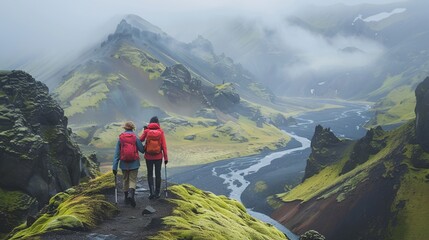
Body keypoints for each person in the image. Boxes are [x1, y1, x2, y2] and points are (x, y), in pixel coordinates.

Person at [112, 121, 144, 207]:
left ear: (125, 128)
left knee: (125, 179)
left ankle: (126, 198)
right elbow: (142, 149)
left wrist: (114, 167)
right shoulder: (135, 137)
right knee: (132, 180)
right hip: (134, 163)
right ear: (132, 128)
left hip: (124, 163)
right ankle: (131, 195)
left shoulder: (121, 138)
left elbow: (117, 153)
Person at [140, 116, 168, 199]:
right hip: (158, 156)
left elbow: (140, 139)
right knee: (158, 174)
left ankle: (151, 193)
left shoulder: (147, 131)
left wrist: (144, 131)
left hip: (148, 156)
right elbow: (164, 145)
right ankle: (157, 193)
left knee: (150, 174)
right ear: (158, 123)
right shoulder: (160, 131)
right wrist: (166, 158)